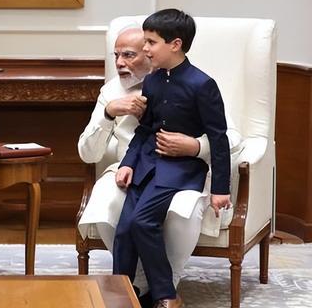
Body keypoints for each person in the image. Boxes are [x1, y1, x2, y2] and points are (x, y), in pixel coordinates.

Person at [77, 26, 240, 307]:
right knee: (110, 209)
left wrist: (194, 146)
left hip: (183, 169)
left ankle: (166, 288)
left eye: (129, 55)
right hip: (133, 169)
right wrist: (108, 113)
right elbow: (88, 153)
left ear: (154, 51)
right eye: (116, 55)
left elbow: (229, 138)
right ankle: (129, 288)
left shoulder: (197, 83)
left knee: (173, 213)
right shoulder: (112, 91)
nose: (119, 63)